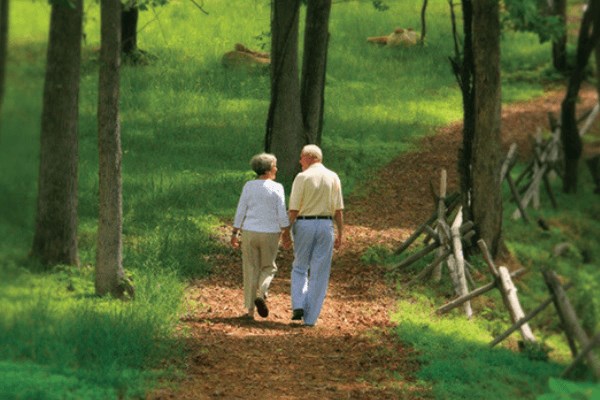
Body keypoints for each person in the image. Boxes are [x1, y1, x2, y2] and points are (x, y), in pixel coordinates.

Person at [282, 145, 344, 327]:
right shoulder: (333, 177)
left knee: (300, 266)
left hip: (304, 224)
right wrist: (341, 233)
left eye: (301, 157)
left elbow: (293, 209)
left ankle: (299, 304)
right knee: (320, 271)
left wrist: (286, 231)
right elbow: (338, 210)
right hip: (326, 225)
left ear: (309, 157)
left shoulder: (302, 177)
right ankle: (310, 319)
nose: (300, 161)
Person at [231, 153, 290, 320]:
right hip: (270, 232)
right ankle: (261, 292)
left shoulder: (249, 186)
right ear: (269, 169)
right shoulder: (277, 187)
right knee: (268, 267)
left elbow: (241, 210)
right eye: (275, 166)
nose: (276, 168)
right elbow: (281, 212)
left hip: (250, 231)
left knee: (250, 269)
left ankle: (249, 311)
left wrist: (235, 232)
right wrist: (286, 232)